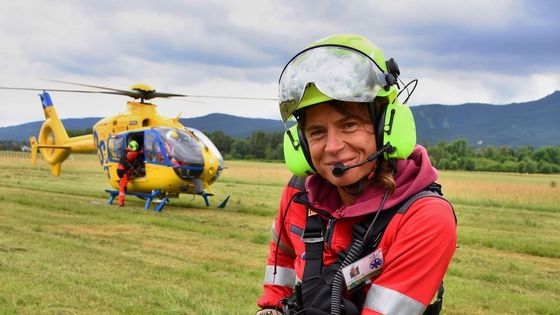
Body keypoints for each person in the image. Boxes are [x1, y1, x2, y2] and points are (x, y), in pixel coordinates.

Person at [256, 34, 457, 315]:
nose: (333, 147)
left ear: (385, 126)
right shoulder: (298, 194)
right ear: (301, 143)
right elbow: (283, 256)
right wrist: (270, 308)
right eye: (317, 132)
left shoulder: (424, 217)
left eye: (349, 125)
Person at [116, 140, 143, 206]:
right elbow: (135, 154)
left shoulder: (126, 151)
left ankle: (120, 182)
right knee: (123, 187)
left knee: (126, 180)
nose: (134, 151)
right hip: (122, 171)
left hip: (120, 170)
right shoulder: (130, 153)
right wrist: (142, 152)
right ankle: (121, 203)